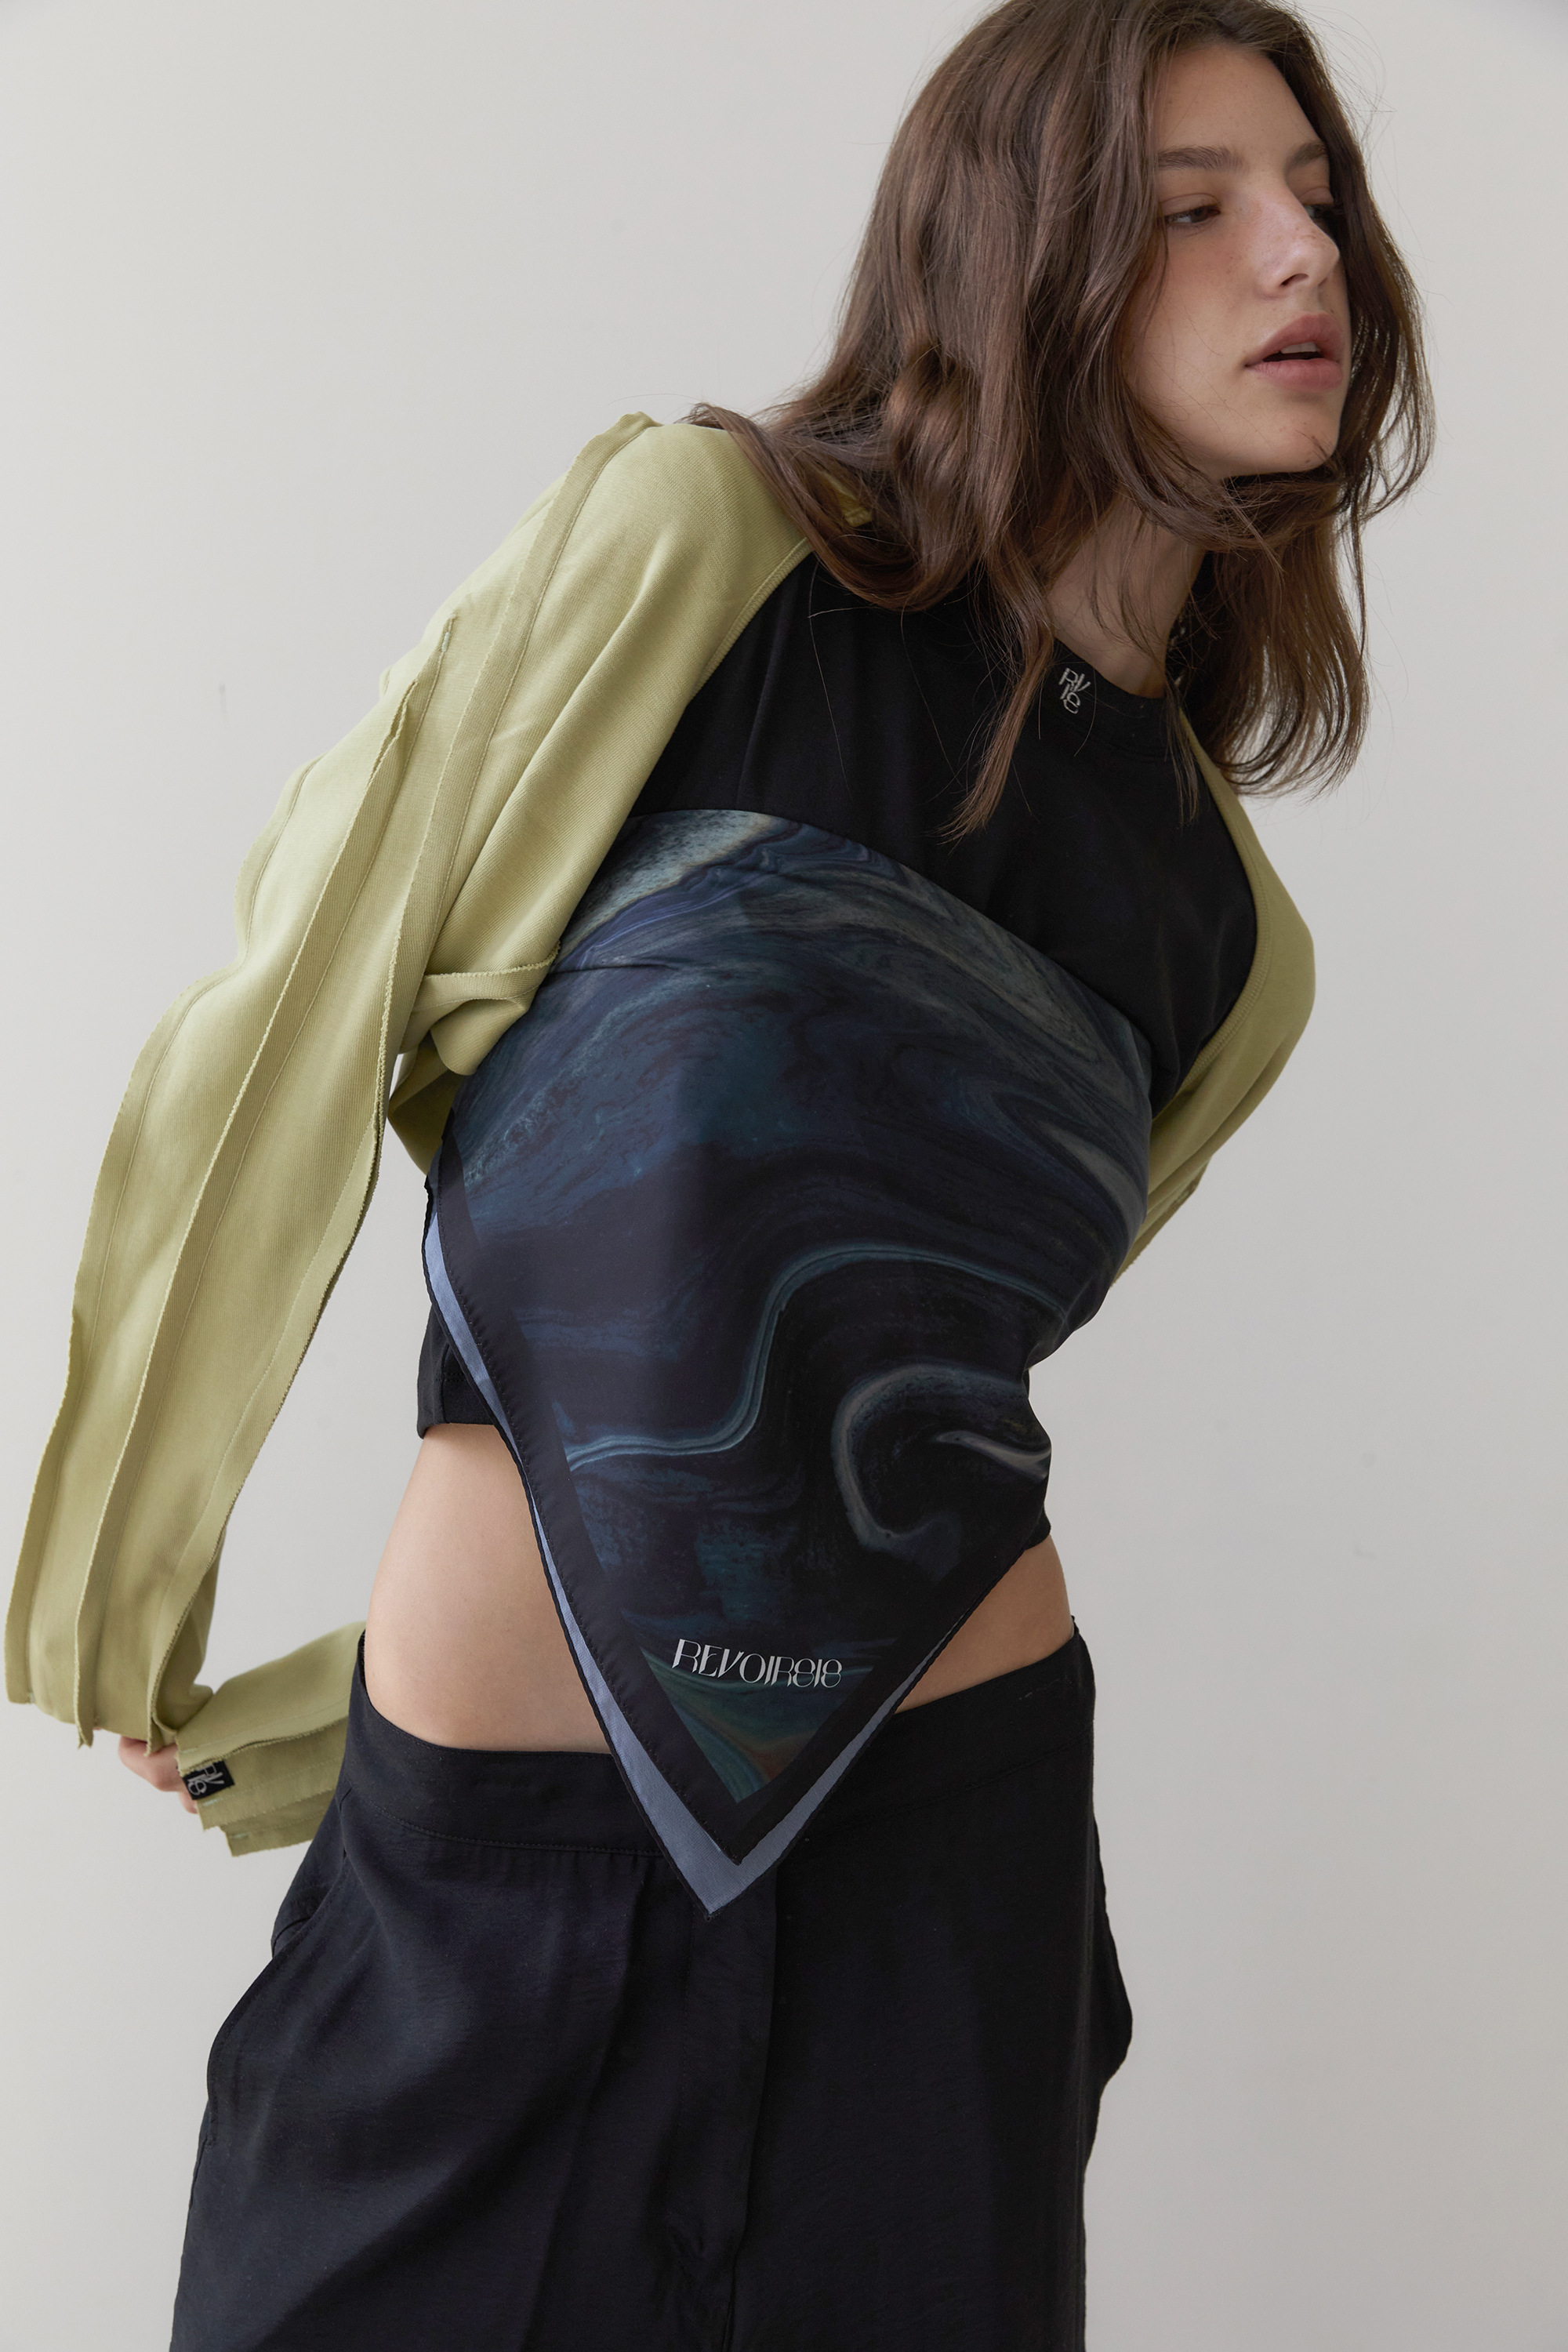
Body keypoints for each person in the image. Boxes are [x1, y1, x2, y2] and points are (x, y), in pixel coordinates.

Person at [7, 2, 1430, 2344]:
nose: (1303, 255)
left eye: (1319, 198)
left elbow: (869, 1381)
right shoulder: (714, 550)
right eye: (1195, 207)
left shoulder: (1234, 949)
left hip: (947, 1899)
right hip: (486, 1892)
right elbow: (305, 1006)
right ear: (1021, 251)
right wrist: (131, 1609)